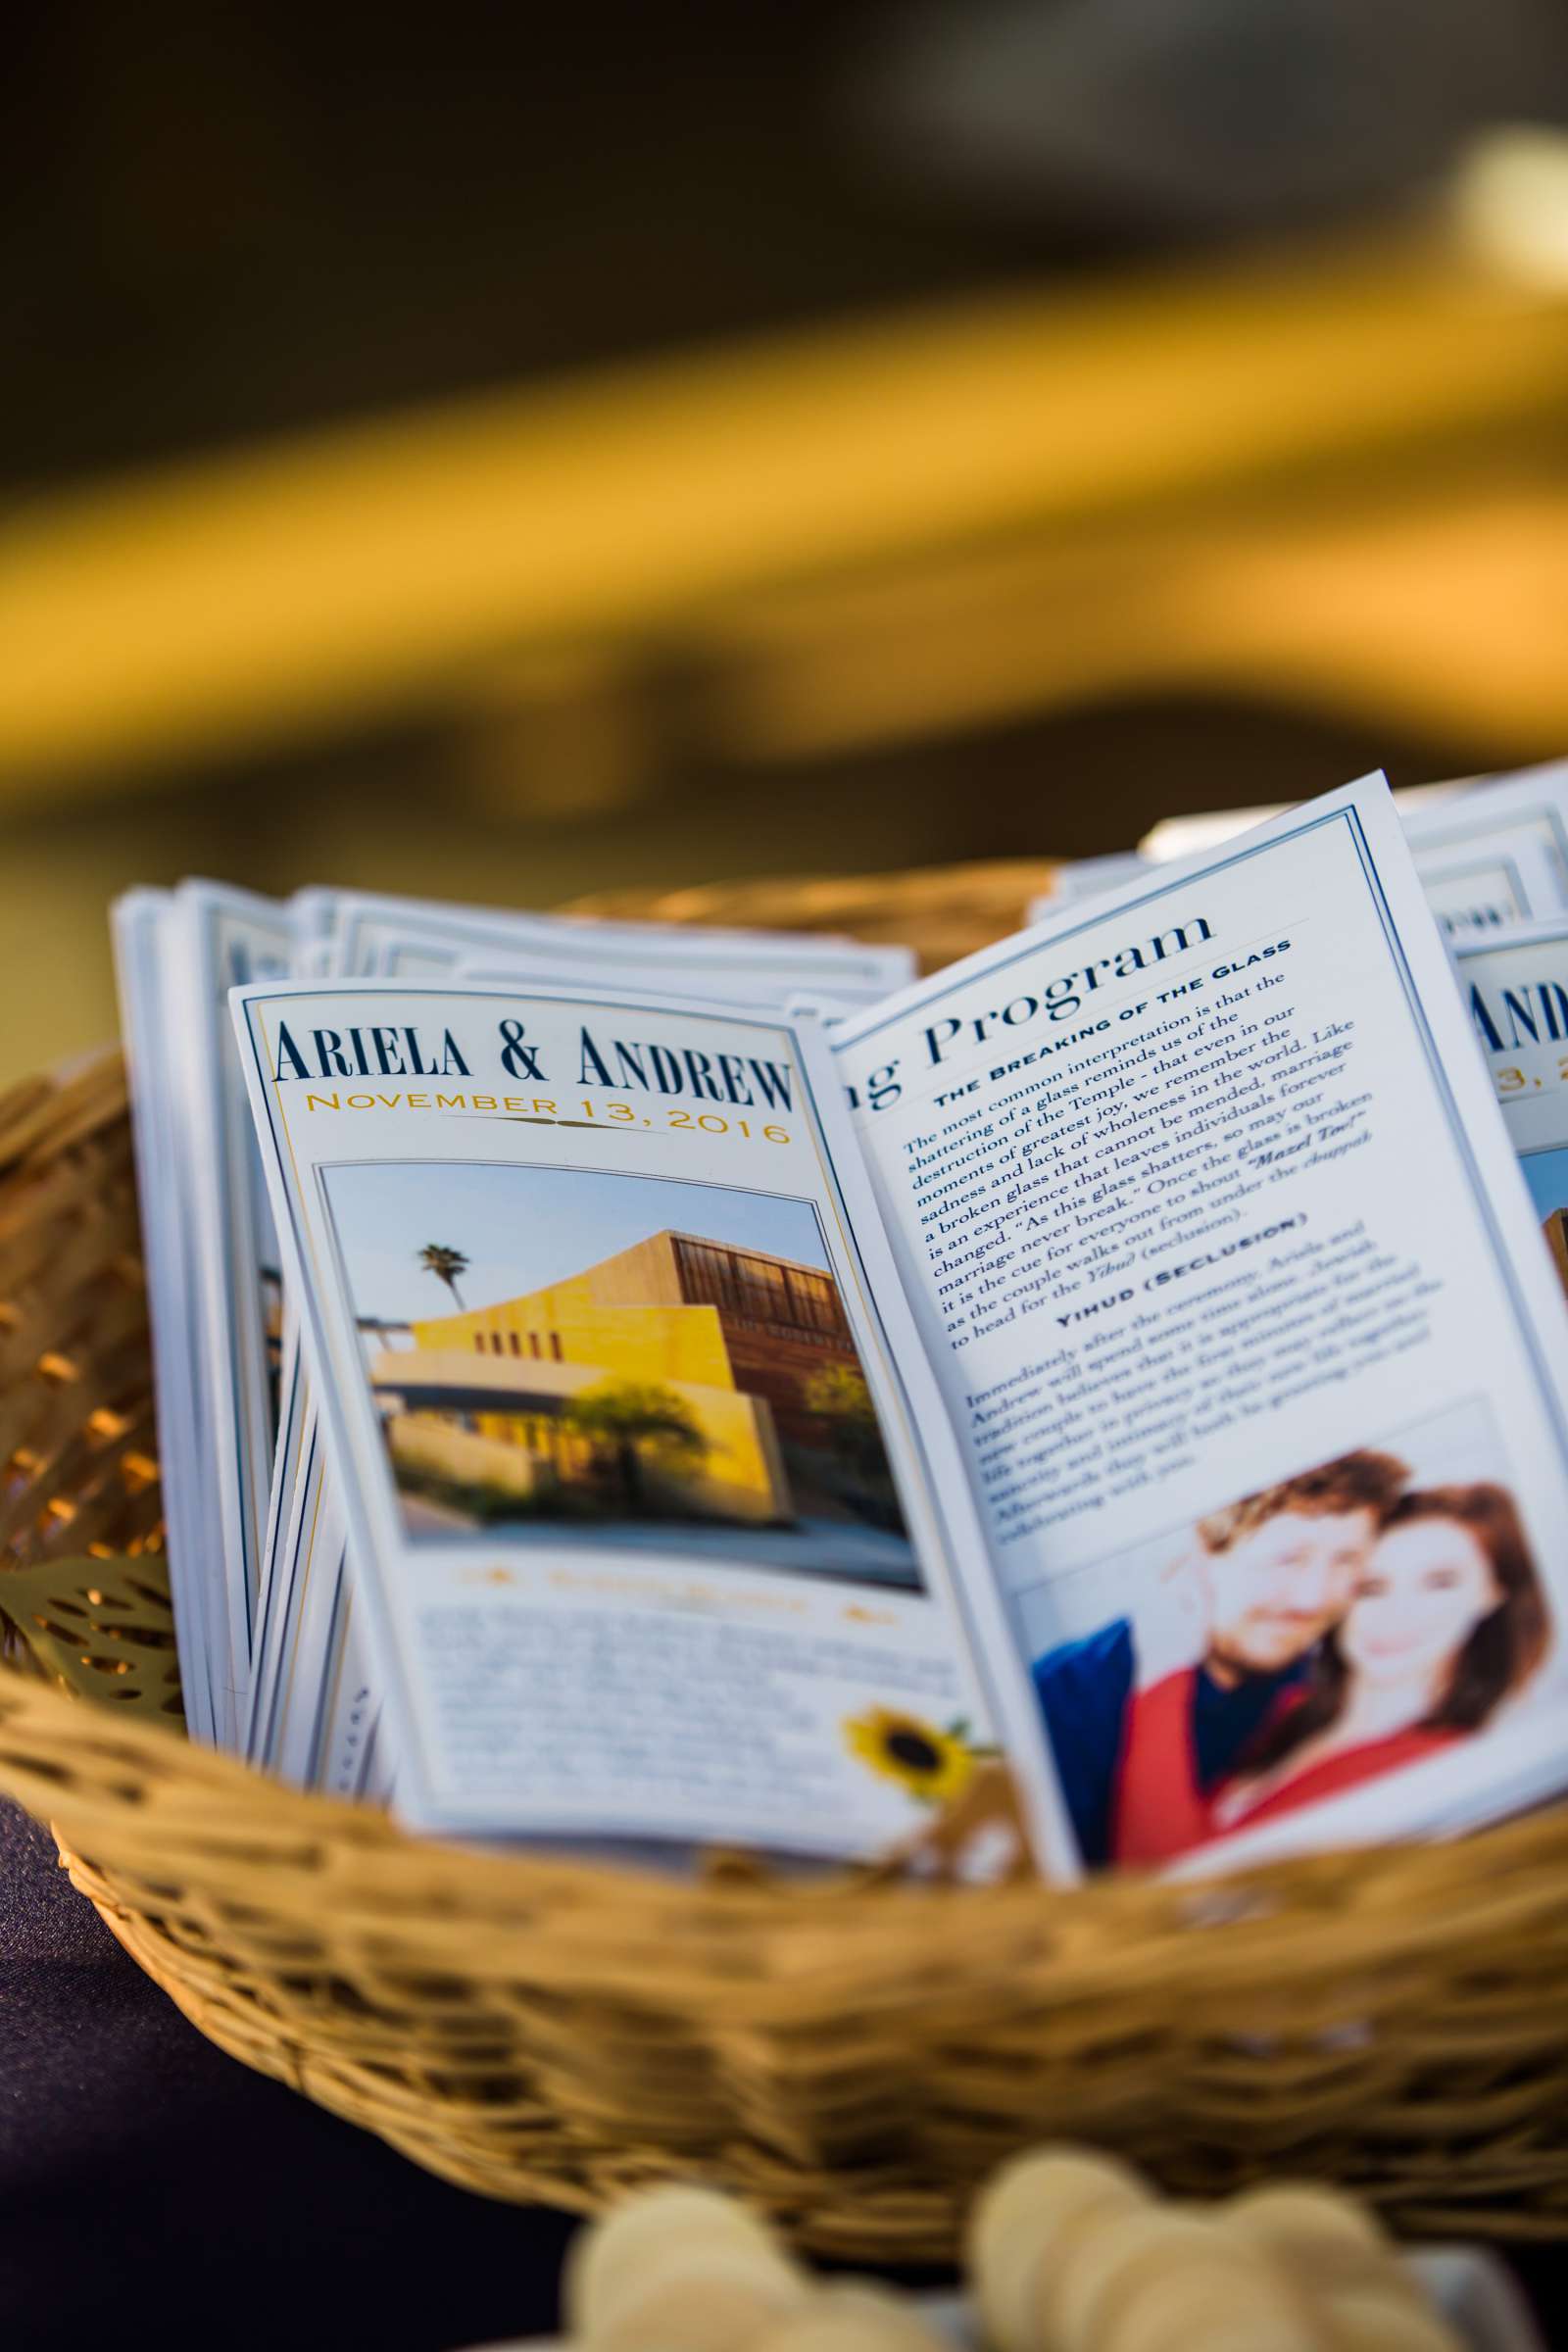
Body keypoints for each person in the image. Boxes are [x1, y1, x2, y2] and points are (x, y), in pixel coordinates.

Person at [1114, 1483, 1548, 1862]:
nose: (1398, 1615)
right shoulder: (1285, 1707)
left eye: (1439, 1582)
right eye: (1370, 1587)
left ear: (1493, 1593)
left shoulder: (1441, 1762)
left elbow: (1162, 1877)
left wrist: (1160, 1666)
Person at [1032, 1450, 1407, 1867]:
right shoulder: (1058, 1704)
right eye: (1287, 1559)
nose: (1313, 1597)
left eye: (1347, 1561)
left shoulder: (1331, 1682)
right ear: (1202, 1553)